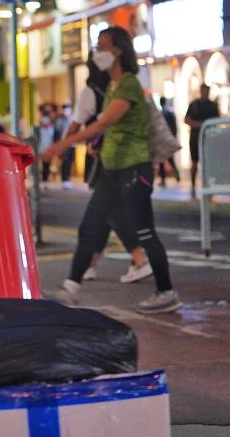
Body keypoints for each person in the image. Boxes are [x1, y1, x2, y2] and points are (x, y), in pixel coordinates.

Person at [43, 26, 180, 314]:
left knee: (144, 232)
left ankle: (166, 292)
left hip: (134, 169)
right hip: (111, 170)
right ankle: (70, 287)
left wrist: (65, 144)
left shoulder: (129, 84)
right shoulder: (113, 86)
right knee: (89, 228)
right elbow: (112, 128)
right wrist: (96, 146)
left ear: (117, 51)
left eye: (102, 46)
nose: (97, 52)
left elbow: (106, 121)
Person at [59, 53, 150, 284]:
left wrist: (63, 146)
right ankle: (92, 264)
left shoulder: (92, 93)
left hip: (105, 159)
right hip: (126, 158)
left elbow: (76, 124)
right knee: (108, 211)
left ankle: (140, 258)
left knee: (111, 211)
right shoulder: (116, 87)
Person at [185, 83, 220, 197]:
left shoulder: (213, 106)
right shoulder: (194, 105)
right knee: (194, 162)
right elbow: (187, 119)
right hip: (196, 137)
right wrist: (198, 125)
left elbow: (216, 121)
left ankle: (208, 185)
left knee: (207, 163)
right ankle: (193, 185)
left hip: (209, 138)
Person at [157, 96, 179, 187]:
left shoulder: (164, 114)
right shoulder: (165, 113)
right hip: (164, 138)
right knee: (166, 159)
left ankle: (171, 176)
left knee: (166, 159)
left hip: (164, 138)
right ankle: (174, 175)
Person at [37, 104, 57, 183]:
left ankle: (45, 179)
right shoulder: (42, 125)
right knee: (44, 163)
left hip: (48, 145)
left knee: (47, 163)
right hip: (42, 146)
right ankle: (44, 178)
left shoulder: (51, 125)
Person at [58, 103, 76, 189]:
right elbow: (58, 131)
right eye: (65, 108)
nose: (67, 110)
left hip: (73, 144)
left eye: (68, 108)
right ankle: (64, 180)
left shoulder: (73, 118)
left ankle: (67, 179)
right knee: (65, 161)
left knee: (69, 162)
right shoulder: (61, 120)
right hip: (64, 144)